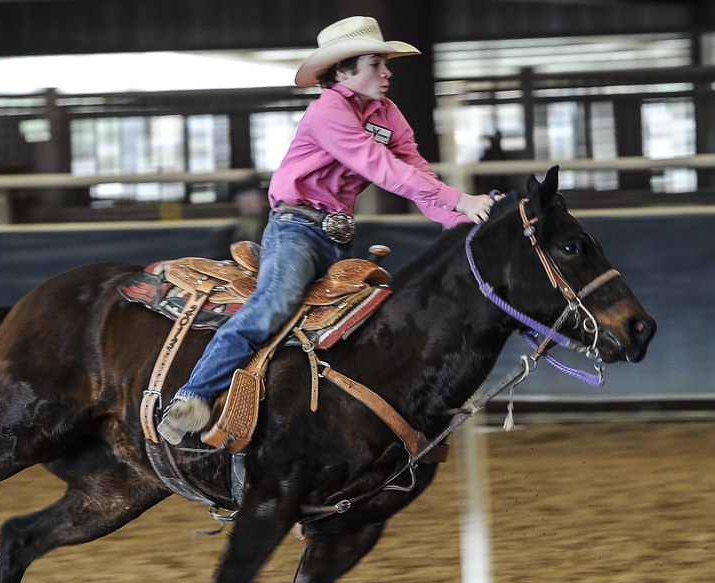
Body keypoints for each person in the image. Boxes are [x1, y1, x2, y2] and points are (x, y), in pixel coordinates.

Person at [156, 15, 496, 445]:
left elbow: (416, 173)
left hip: (338, 236)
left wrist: (464, 221)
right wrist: (462, 200)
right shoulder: (329, 109)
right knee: (276, 301)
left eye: (385, 63)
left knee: (371, 320)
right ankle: (194, 394)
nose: (387, 72)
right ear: (343, 71)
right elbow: (380, 166)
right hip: (295, 229)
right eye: (376, 64)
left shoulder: (389, 114)